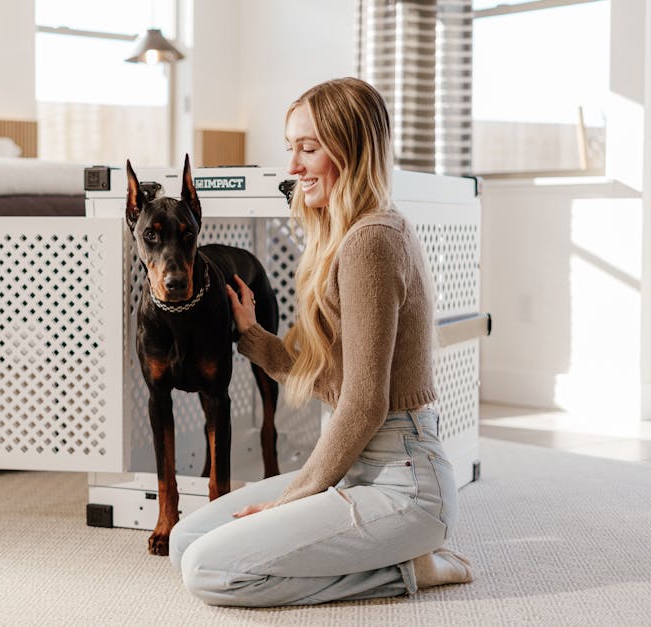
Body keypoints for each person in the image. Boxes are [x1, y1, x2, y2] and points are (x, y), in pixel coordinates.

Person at [167, 77, 474, 607]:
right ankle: (380, 551)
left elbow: (364, 403)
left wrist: (295, 497)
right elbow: (321, 373)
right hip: (357, 471)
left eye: (308, 149)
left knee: (208, 572)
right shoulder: (344, 236)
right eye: (292, 148)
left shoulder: (373, 240)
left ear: (350, 149)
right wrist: (251, 332)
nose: (293, 167)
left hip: (404, 485)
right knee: (184, 540)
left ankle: (411, 568)